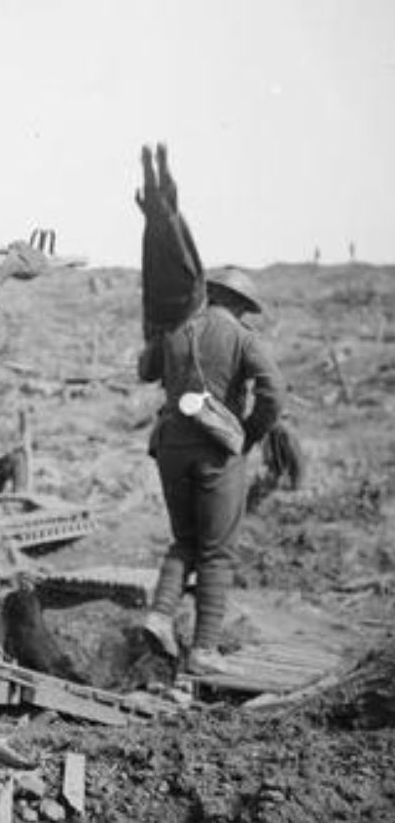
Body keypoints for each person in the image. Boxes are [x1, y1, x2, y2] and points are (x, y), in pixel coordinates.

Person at [136, 265, 282, 674]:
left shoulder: (176, 328)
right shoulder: (241, 336)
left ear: (212, 293)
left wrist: (158, 335)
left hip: (170, 447)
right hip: (217, 452)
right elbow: (275, 393)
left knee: (184, 539)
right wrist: (247, 435)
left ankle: (160, 616)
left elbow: (145, 371)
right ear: (238, 304)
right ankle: (204, 650)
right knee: (217, 551)